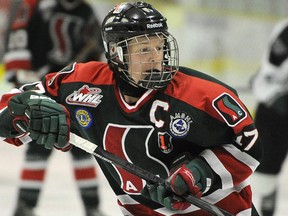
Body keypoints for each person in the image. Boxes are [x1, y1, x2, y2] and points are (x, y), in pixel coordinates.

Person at [0, 1, 262, 215]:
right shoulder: (81, 83)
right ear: (116, 52)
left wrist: (198, 174)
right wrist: (23, 112)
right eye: (144, 49)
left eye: (160, 47)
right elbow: (9, 108)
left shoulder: (203, 94)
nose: (156, 58)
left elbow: (249, 145)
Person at [2, 0, 105, 215]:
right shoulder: (37, 5)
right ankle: (25, 205)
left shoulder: (86, 11)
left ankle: (92, 206)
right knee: (38, 147)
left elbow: (96, 52)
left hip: (74, 94)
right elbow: (18, 41)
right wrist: (22, 83)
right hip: (42, 90)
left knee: (82, 148)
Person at [250, 18, 288, 216]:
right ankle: (268, 194)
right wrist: (275, 95)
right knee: (266, 168)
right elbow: (269, 73)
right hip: (275, 104)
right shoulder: (287, 31)